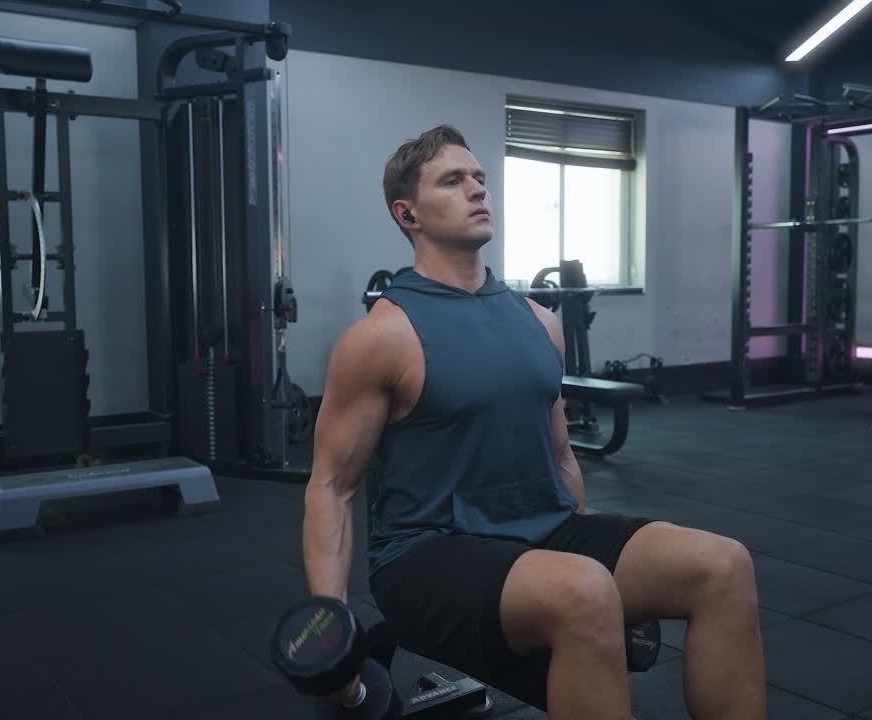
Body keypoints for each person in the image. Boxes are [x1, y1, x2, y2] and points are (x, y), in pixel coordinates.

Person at [301, 125, 766, 719]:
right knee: (586, 590)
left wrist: (585, 551)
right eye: (453, 180)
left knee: (723, 565)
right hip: (426, 554)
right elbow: (331, 487)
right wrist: (331, 629)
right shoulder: (381, 337)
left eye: (480, 179)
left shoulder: (539, 321)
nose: (477, 190)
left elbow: (562, 458)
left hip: (541, 531)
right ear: (407, 213)